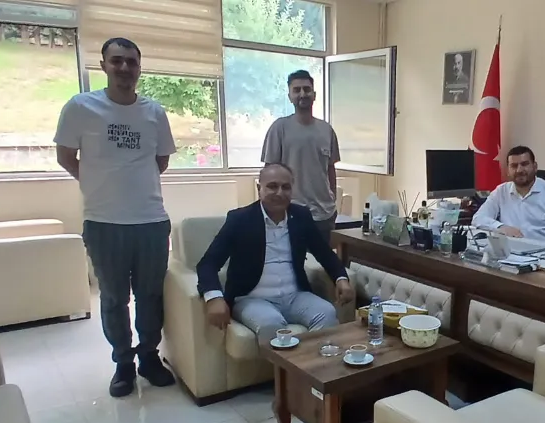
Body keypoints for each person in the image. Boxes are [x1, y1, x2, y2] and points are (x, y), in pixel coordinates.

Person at [54, 37, 176, 398]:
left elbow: (161, 160)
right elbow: (65, 156)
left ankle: (149, 357)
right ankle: (123, 363)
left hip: (150, 220)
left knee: (150, 295)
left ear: (139, 68)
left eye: (131, 62)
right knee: (113, 298)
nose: (124, 68)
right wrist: (97, 184)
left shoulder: (154, 112)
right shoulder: (81, 107)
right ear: (104, 65)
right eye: (117, 61)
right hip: (104, 222)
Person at [197, 164, 355, 345]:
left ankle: (313, 362)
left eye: (286, 187)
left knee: (326, 313)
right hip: (252, 298)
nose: (280, 193)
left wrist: (341, 278)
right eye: (272, 186)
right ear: (259, 188)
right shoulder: (240, 220)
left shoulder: (301, 216)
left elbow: (324, 253)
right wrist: (214, 297)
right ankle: (285, 365)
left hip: (295, 296)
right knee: (271, 324)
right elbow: (208, 263)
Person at [261, 70, 341, 244]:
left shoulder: (326, 130)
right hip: (290, 213)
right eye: (297, 90)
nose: (303, 94)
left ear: (314, 95)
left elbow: (330, 169)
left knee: (323, 261)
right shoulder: (279, 128)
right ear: (290, 96)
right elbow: (269, 173)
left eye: (307, 89)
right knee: (291, 260)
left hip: (324, 216)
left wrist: (332, 199)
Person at [473, 146, 545, 247]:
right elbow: (479, 218)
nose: (519, 170)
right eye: (514, 166)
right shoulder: (501, 191)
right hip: (510, 253)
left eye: (524, 164)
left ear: (535, 167)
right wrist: (500, 227)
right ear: (508, 170)